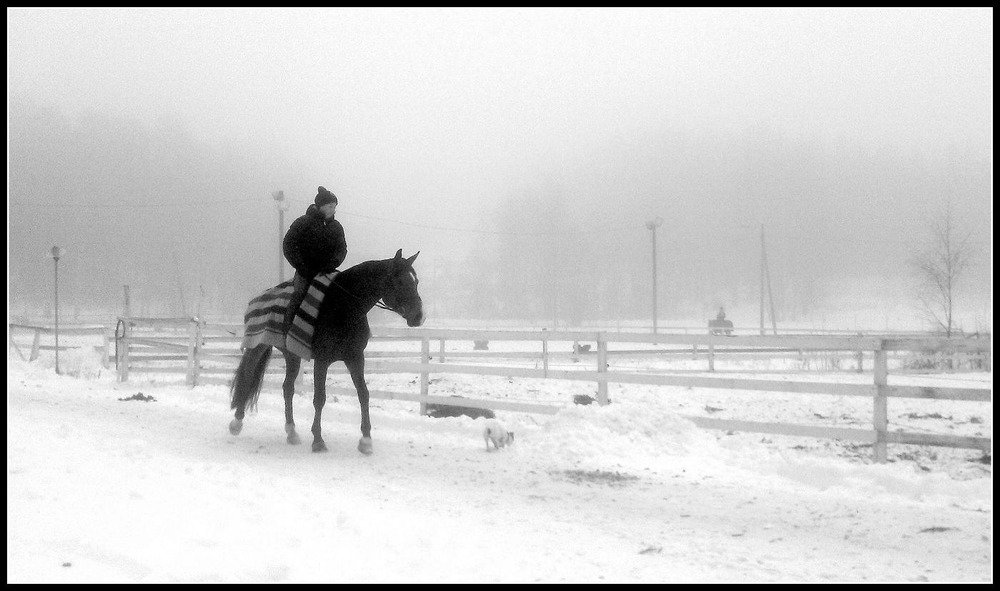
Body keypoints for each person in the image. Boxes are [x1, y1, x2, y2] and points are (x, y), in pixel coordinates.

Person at [281, 186, 347, 333]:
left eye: (335, 206)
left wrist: (332, 264)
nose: (333, 210)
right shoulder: (303, 222)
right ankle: (288, 329)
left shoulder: (336, 227)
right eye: (330, 206)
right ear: (320, 206)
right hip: (305, 273)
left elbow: (341, 249)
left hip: (328, 272)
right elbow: (289, 245)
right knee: (299, 295)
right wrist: (301, 266)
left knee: (343, 294)